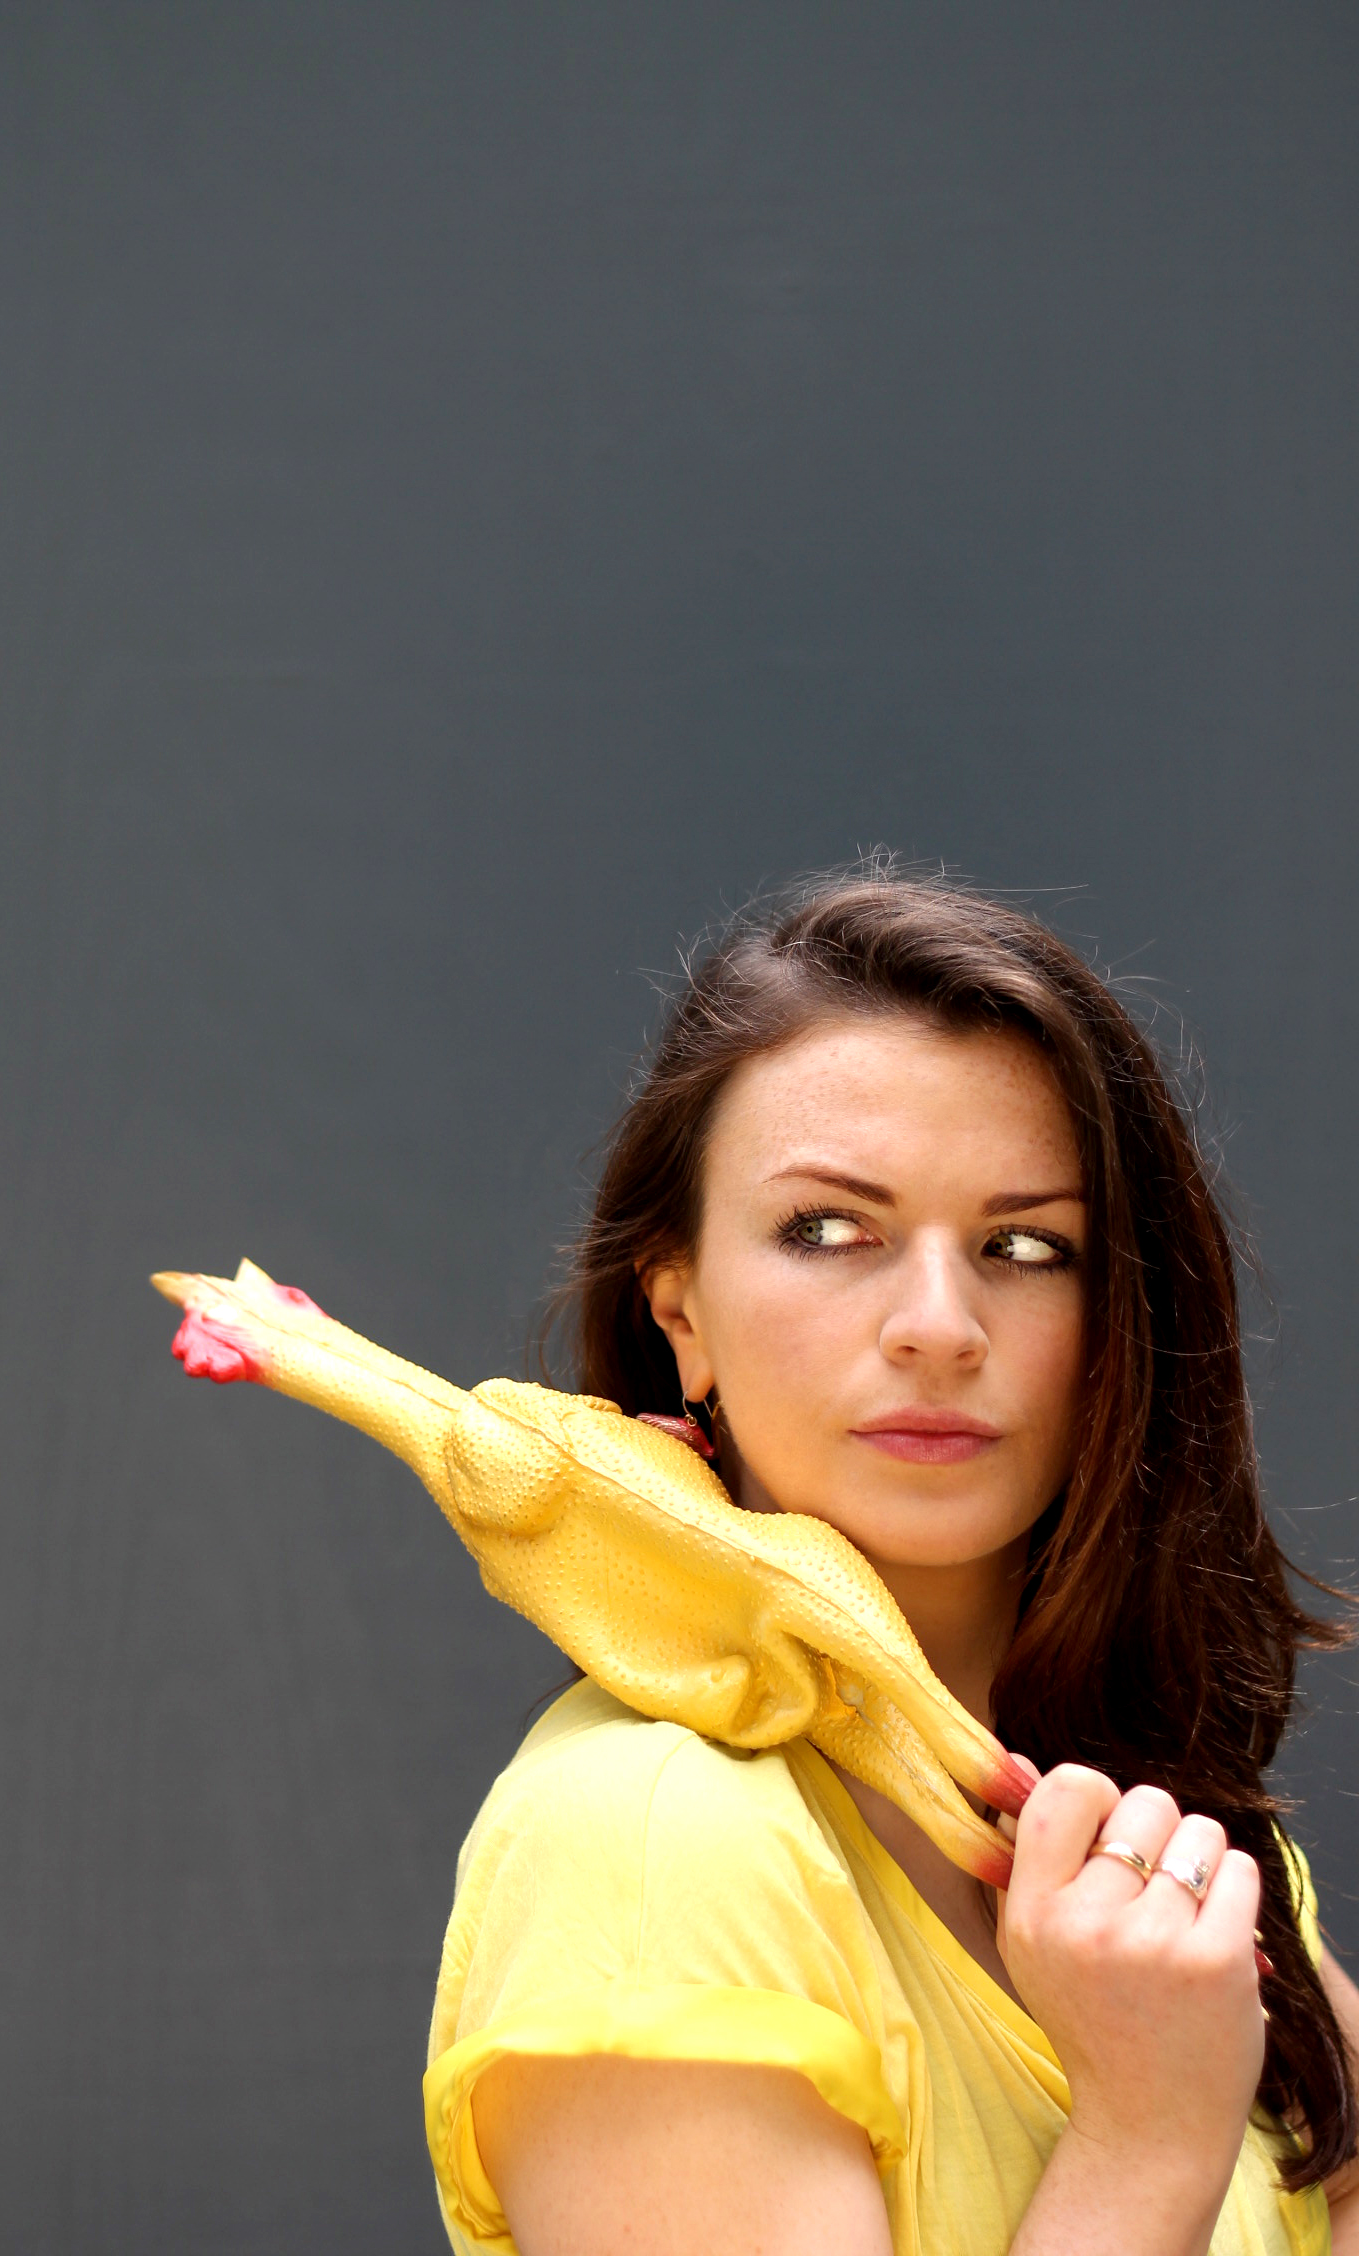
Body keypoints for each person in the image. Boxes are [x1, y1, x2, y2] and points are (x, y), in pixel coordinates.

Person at [423, 871, 1359, 2256]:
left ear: (1116, 1329)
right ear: (680, 1311)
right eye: (828, 1231)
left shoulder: (1185, 1843)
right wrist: (1148, 2142)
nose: (939, 1324)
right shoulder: (652, 1845)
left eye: (1026, 1247)